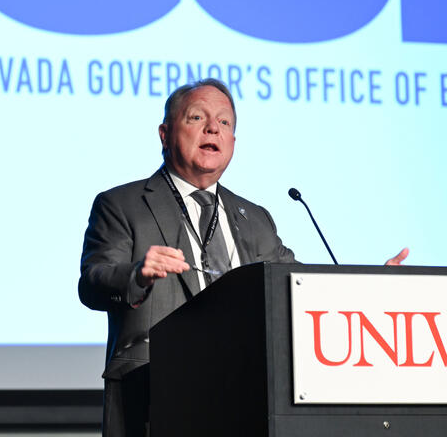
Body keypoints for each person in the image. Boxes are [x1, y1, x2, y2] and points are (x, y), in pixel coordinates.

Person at [78, 78, 408, 437]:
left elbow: (300, 290)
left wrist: (371, 289)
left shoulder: (255, 220)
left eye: (224, 123)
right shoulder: (122, 205)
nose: (212, 129)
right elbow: (93, 284)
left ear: (233, 141)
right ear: (164, 133)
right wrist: (137, 275)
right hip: (154, 393)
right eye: (196, 118)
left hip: (245, 395)